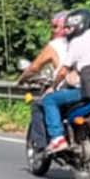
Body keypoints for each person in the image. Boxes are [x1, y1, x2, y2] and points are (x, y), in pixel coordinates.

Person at [41, 8, 90, 154]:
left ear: (79, 25)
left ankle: (58, 138)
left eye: (69, 28)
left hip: (86, 91)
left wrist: (54, 86)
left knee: (50, 100)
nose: (67, 32)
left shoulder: (77, 42)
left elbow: (64, 70)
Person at [17, 10, 71, 151]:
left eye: (55, 27)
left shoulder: (56, 45)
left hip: (66, 88)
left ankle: (41, 147)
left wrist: (22, 78)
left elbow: (34, 67)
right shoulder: (85, 43)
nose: (53, 30)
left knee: (38, 106)